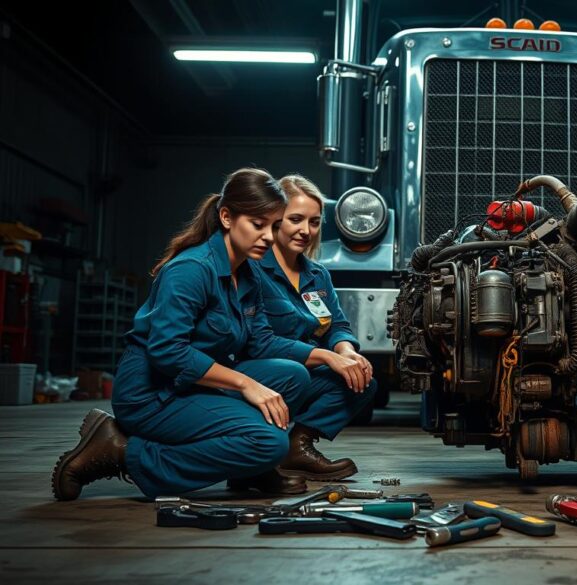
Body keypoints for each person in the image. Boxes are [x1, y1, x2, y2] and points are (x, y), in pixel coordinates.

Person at [52, 168, 371, 501]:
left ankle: (250, 469)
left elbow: (261, 342)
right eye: (257, 225)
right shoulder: (192, 269)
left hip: (196, 383)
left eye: (273, 226)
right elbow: (167, 352)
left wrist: (329, 355)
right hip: (154, 393)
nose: (267, 236)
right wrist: (247, 384)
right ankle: (123, 452)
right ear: (226, 217)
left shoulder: (246, 274)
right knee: (269, 443)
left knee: (293, 377)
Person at [253, 174, 376, 480]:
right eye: (296, 219)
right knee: (291, 372)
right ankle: (261, 451)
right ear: (276, 219)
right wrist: (327, 357)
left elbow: (337, 324)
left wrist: (346, 351)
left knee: (362, 380)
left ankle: (299, 445)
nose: (305, 231)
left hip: (304, 369)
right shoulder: (254, 269)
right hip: (262, 368)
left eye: (314, 222)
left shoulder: (317, 274)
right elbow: (259, 341)